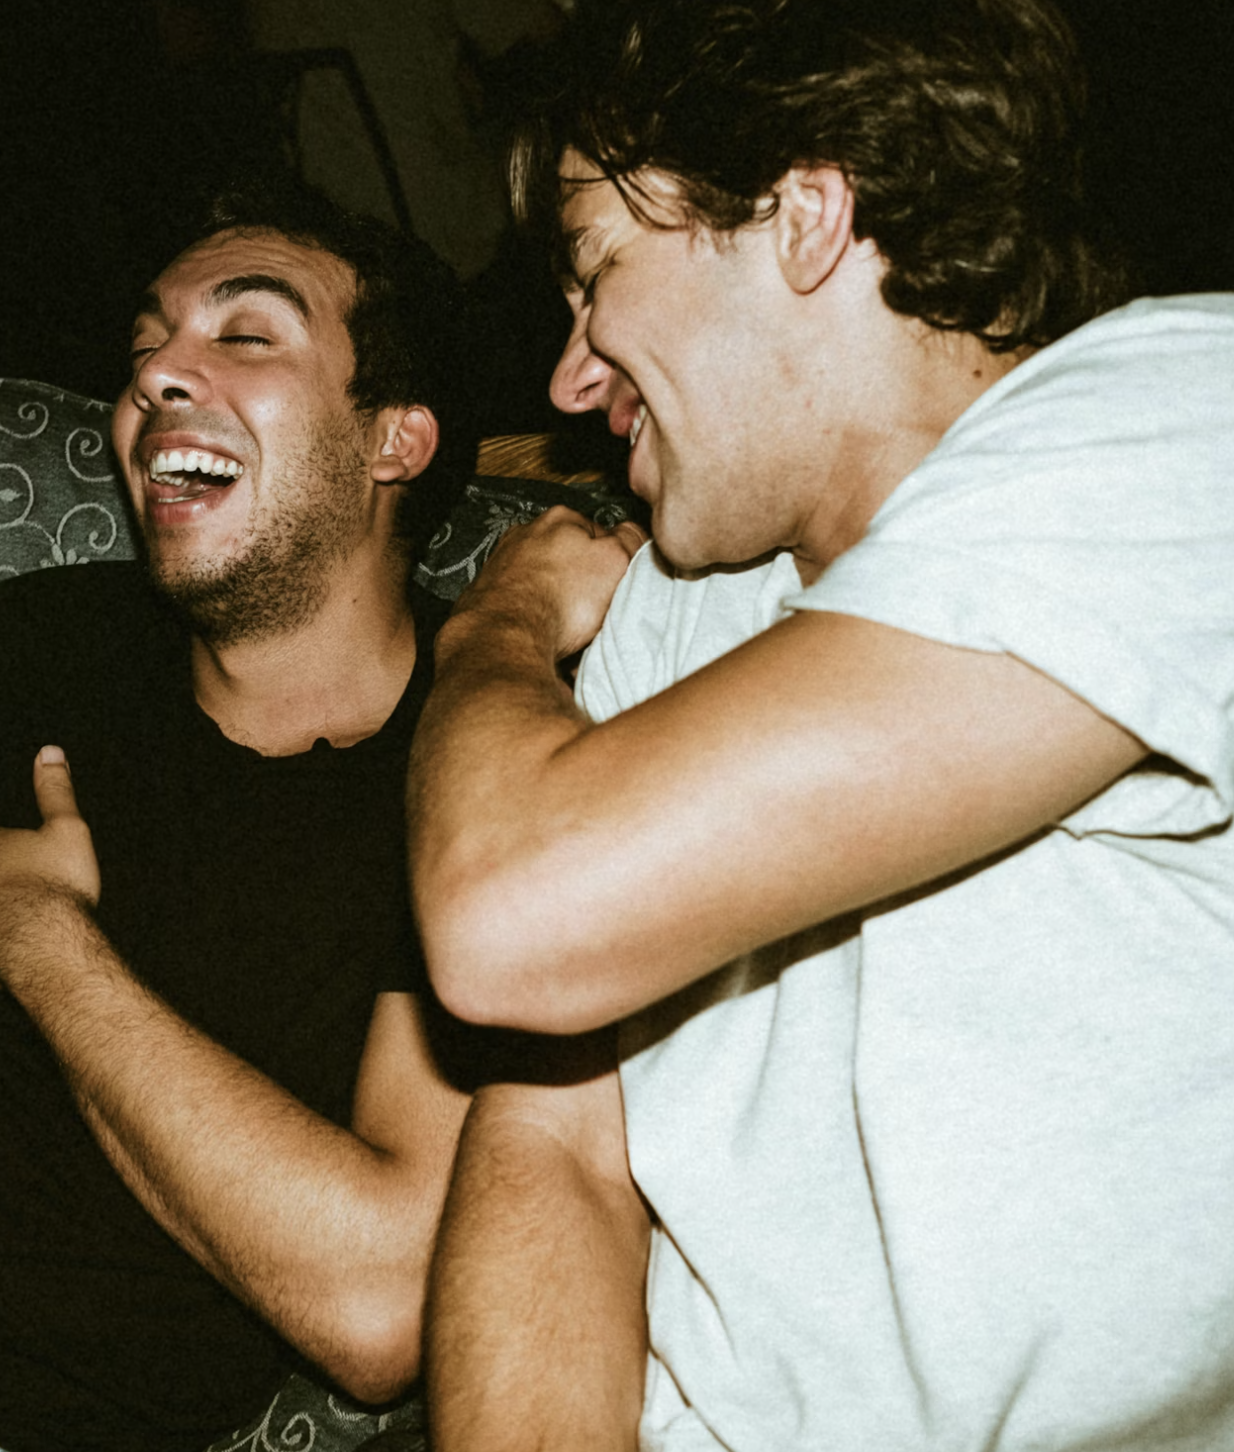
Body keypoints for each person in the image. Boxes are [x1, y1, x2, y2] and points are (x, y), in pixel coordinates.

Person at [406, 1, 1234, 1448]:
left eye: (597, 270)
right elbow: (553, 1151)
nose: (569, 377)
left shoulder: (1177, 418)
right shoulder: (671, 601)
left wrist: (489, 629)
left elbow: (508, 912)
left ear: (802, 216)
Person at [0, 178, 482, 1451]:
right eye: (147, 343)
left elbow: (383, 1304)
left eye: (245, 333)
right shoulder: (43, 640)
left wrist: (41, 940)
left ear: (395, 441)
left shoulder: (470, 778)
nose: (159, 373)